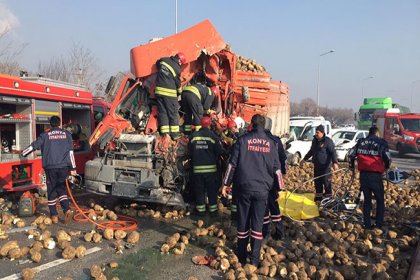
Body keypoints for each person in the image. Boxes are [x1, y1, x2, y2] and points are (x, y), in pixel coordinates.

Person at [222, 114, 282, 266]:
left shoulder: (242, 141)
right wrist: (280, 188)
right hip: (263, 191)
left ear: (252, 125)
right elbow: (277, 169)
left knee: (243, 223)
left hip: (244, 189)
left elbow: (232, 165)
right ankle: (254, 260)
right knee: (257, 225)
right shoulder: (271, 143)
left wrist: (225, 184)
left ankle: (241, 257)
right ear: (264, 126)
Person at [21, 116, 76, 224]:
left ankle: (54, 216)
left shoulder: (45, 135)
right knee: (61, 188)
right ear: (60, 123)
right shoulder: (67, 135)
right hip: (63, 167)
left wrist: (23, 153)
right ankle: (67, 210)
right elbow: (71, 153)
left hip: (50, 167)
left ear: (50, 124)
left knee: (51, 189)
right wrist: (73, 168)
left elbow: (34, 146)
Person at [349, 126, 391, 230]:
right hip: (376, 176)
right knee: (380, 200)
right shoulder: (381, 143)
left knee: (367, 200)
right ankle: (378, 224)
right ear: (377, 134)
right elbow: (388, 158)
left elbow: (350, 154)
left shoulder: (361, 142)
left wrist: (351, 167)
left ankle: (367, 224)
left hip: (363, 176)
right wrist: (386, 167)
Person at [188, 116, 222, 216]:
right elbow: (219, 151)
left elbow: (189, 151)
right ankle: (213, 212)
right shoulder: (213, 136)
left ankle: (201, 212)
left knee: (199, 191)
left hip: (197, 170)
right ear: (209, 124)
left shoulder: (193, 136)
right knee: (212, 191)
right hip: (210, 171)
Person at [300, 124, 339, 202]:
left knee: (326, 182)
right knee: (318, 182)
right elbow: (311, 151)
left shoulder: (327, 141)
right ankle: (318, 198)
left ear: (322, 133)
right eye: (316, 132)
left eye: (317, 132)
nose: (316, 134)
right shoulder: (315, 141)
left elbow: (333, 152)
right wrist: (304, 159)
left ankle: (328, 198)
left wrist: (335, 162)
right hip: (317, 166)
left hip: (325, 167)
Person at [263, 117, 287, 240]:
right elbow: (282, 159)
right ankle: (279, 232)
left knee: (264, 207)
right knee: (274, 206)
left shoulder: (261, 140)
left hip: (262, 178)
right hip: (274, 178)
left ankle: (265, 232)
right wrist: (282, 177)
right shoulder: (276, 141)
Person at [154, 52, 187, 139]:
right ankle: (174, 134)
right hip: (169, 94)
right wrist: (180, 91)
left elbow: (158, 64)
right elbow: (177, 83)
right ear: (179, 61)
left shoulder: (163, 60)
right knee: (172, 113)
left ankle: (165, 134)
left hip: (159, 91)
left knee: (163, 112)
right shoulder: (177, 68)